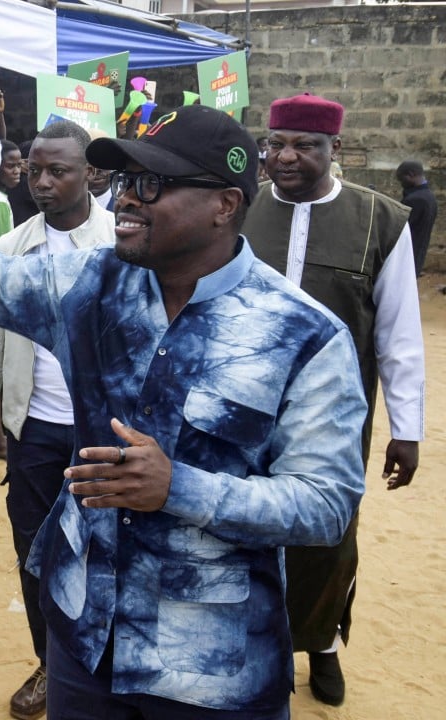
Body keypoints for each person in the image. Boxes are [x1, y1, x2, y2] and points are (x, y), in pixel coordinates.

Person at [0, 91, 366, 718]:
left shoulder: (304, 335)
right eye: (126, 178)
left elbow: (325, 504)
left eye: (153, 183)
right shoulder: (90, 283)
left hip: (207, 668)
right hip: (83, 637)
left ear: (224, 205)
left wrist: (178, 487)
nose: (126, 196)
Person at [243, 93, 425, 706]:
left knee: (328, 532)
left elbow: (398, 335)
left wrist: (408, 427)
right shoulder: (238, 210)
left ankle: (320, 642)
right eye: (276, 143)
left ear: (334, 150)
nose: (285, 156)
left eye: (304, 145)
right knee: (243, 521)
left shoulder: (380, 220)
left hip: (337, 416)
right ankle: (250, 641)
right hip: (245, 407)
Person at [0, 119, 115, 720]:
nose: (42, 183)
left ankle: (101, 667)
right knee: (36, 557)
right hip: (35, 434)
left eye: (59, 171)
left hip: (102, 436)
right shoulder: (12, 248)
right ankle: (51, 663)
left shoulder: (120, 246)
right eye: (35, 171)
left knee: (104, 554)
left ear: (91, 174)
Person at [396, 159, 437, 275]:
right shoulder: (429, 196)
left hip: (406, 259)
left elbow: (398, 229)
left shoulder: (415, 200)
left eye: (401, 179)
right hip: (417, 256)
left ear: (411, 174)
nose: (401, 184)